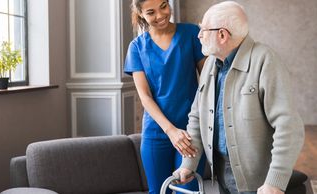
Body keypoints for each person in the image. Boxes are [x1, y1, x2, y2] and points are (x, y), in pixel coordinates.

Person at [173, 1, 305, 194]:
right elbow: (197, 117)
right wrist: (188, 163)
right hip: (220, 172)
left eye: (203, 29)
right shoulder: (210, 63)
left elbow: (289, 127)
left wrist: (274, 182)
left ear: (222, 35)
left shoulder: (265, 60)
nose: (199, 35)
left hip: (260, 183)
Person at [124, 0, 207, 193]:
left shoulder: (192, 34)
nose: (160, 15)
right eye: (151, 12)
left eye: (163, 6)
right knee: (158, 191)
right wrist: (171, 131)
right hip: (156, 132)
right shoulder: (137, 47)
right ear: (141, 14)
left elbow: (207, 83)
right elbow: (145, 97)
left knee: (189, 190)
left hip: (191, 130)